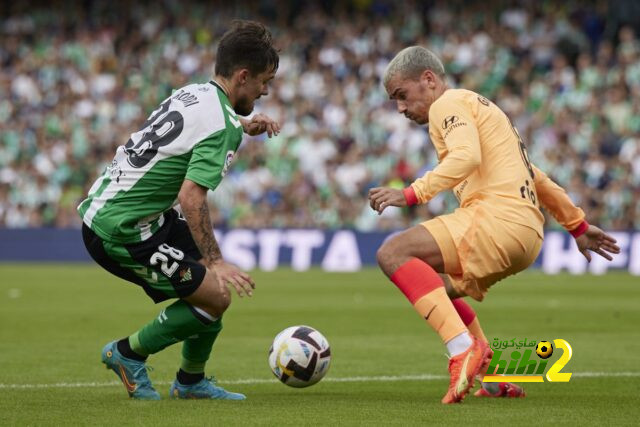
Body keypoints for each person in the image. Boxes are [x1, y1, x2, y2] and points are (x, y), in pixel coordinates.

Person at [369, 46, 620, 404]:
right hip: (527, 235)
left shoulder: (447, 104)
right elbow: (536, 177)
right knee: (432, 286)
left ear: (428, 80)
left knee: (393, 252)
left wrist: (412, 193)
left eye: (402, 96)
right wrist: (577, 226)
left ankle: (462, 349)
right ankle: (488, 375)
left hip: (495, 219)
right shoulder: (482, 109)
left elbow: (466, 156)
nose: (401, 108)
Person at [78, 20, 280, 400]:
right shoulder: (222, 125)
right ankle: (126, 354)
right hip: (120, 230)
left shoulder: (193, 93)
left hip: (132, 214)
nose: (265, 90)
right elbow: (192, 197)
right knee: (216, 292)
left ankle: (190, 383)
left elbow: (197, 127)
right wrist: (215, 259)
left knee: (210, 295)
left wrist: (243, 122)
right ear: (242, 76)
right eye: (263, 82)